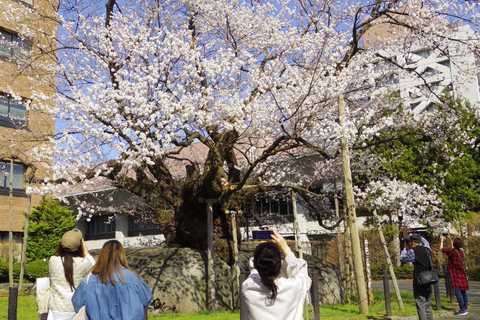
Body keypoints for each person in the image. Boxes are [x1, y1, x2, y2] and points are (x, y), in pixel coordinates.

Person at [72, 240, 152, 320]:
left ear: (102, 255)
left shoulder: (89, 281)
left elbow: (77, 304)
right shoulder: (134, 279)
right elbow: (145, 304)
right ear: (121, 255)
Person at [240, 230, 311, 320]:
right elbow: (301, 269)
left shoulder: (248, 288)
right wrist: (285, 248)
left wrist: (263, 250)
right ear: (280, 264)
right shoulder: (295, 286)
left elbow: (254, 268)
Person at [44, 229, 95, 320]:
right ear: (80, 246)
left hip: (56, 307)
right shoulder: (83, 263)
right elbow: (93, 263)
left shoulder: (53, 260)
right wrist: (84, 248)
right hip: (75, 308)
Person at [400, 234, 433, 320]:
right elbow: (426, 242)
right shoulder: (427, 250)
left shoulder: (413, 251)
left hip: (419, 279)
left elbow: (403, 258)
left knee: (420, 303)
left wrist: (404, 248)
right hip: (429, 278)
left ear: (412, 242)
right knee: (428, 303)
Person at [440, 235, 469, 316]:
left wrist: (442, 240)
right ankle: (465, 308)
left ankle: (462, 309)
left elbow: (441, 249)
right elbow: (454, 247)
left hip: (455, 274)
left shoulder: (452, 252)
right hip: (462, 273)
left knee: (457, 291)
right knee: (463, 291)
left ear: (454, 244)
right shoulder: (461, 252)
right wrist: (450, 239)